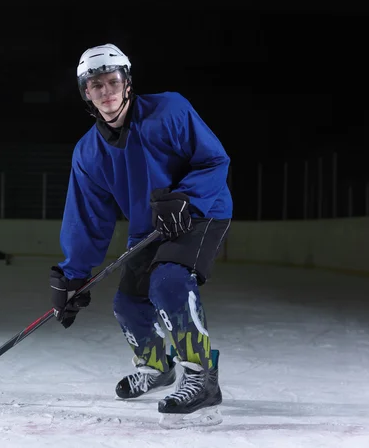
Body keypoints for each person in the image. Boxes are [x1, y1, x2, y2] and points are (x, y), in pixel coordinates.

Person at [49, 44, 232, 428]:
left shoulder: (170, 111)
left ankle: (201, 377)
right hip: (148, 228)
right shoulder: (88, 153)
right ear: (86, 92)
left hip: (201, 212)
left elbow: (215, 159)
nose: (106, 91)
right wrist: (74, 275)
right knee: (128, 304)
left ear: (127, 83)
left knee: (169, 282)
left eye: (112, 81)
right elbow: (87, 217)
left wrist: (187, 199)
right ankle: (156, 366)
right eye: (95, 85)